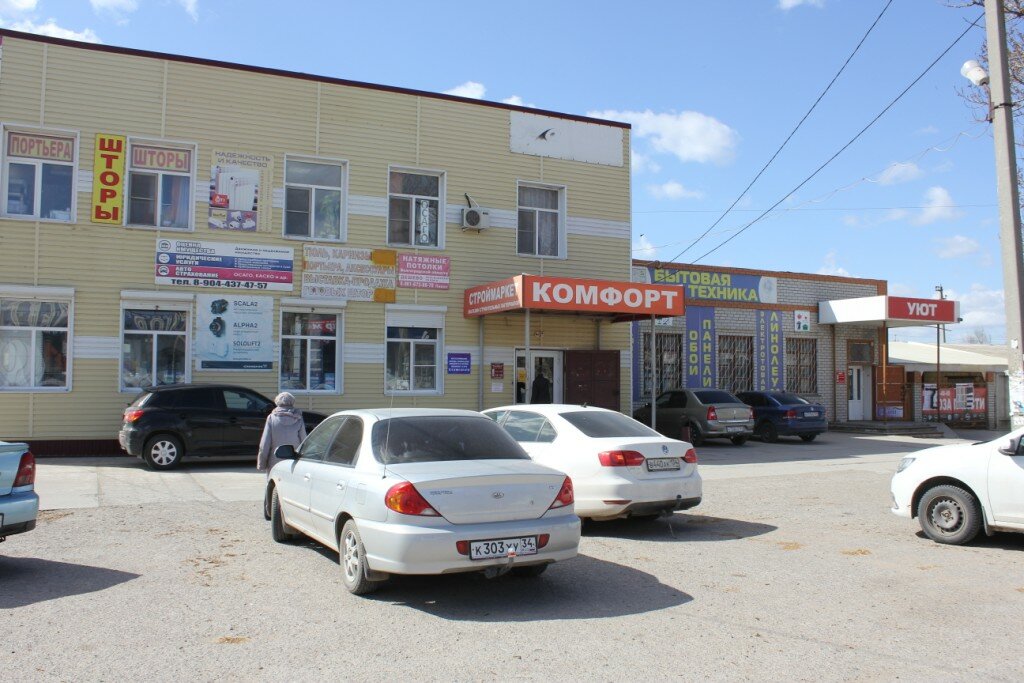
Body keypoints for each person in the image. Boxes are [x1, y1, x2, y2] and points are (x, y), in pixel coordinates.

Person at [257, 392, 307, 476]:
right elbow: (303, 439)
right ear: (292, 402)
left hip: (274, 459)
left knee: (273, 482)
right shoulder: (298, 417)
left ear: (277, 402)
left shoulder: (271, 418)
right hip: (293, 459)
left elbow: (265, 443)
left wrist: (261, 464)